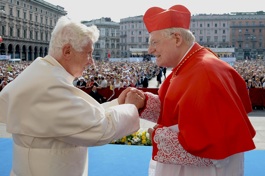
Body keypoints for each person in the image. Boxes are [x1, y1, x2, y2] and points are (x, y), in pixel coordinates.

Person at [0, 16, 145, 176]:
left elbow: (83, 115)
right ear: (67, 51)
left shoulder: (44, 75)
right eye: (88, 53)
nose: (91, 62)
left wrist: (118, 104)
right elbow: (98, 129)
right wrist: (130, 107)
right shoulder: (49, 86)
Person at [139, 4, 256, 176]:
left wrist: (160, 138)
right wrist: (144, 103)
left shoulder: (205, 72)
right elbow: (176, 110)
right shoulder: (189, 65)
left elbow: (215, 149)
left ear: (177, 39)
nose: (150, 50)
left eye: (154, 42)